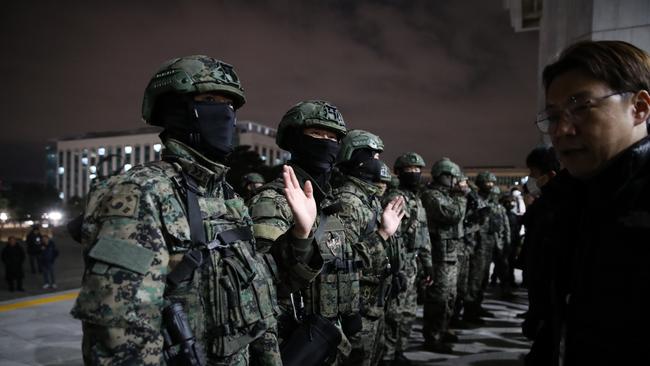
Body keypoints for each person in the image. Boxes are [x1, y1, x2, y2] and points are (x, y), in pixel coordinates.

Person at [71, 55, 317, 365]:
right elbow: (117, 335)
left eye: (231, 106)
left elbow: (266, 293)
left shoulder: (229, 200)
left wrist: (301, 234)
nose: (226, 115)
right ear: (176, 108)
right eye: (211, 100)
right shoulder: (140, 193)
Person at [534, 40, 650, 365]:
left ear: (639, 108)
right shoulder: (569, 198)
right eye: (553, 116)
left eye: (581, 107)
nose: (562, 130)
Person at [333, 129, 405, 366]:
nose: (377, 161)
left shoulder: (368, 198)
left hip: (375, 301)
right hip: (358, 308)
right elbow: (344, 262)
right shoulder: (347, 202)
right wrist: (383, 234)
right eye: (372, 155)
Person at [381, 152, 432, 366]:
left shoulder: (417, 200)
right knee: (393, 313)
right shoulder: (393, 198)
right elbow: (390, 236)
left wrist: (427, 264)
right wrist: (395, 267)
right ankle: (387, 356)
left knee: (409, 313)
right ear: (399, 172)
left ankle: (399, 351)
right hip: (399, 264)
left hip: (414, 263)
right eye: (409, 170)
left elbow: (424, 233)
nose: (414, 174)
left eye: (417, 170)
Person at [517, 146, 560, 366]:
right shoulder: (546, 199)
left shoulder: (558, 202)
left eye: (534, 173)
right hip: (540, 275)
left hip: (548, 278)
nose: (531, 178)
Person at [420, 157, 467, 353]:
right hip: (439, 256)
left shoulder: (447, 195)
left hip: (450, 254)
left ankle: (442, 328)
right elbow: (452, 215)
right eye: (453, 177)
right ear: (443, 176)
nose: (457, 181)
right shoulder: (432, 196)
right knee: (438, 298)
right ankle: (432, 336)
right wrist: (461, 197)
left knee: (450, 296)